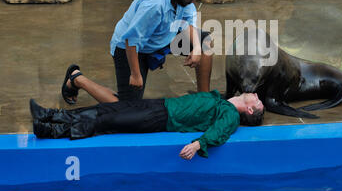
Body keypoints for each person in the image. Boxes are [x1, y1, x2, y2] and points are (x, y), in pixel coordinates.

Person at [32, 67, 265, 160]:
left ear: (251, 109)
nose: (255, 95)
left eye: (257, 100)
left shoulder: (231, 115)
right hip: (161, 106)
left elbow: (219, 132)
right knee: (108, 108)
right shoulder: (220, 99)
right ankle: (51, 114)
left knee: (108, 120)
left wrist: (197, 145)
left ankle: (52, 130)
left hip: (161, 119)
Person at [62, 0, 213, 105]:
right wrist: (135, 74)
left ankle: (203, 100)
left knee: (205, 42)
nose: (192, 2)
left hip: (163, 35)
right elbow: (131, 40)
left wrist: (197, 48)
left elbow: (186, 21)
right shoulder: (154, 4)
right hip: (131, 47)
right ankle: (77, 79)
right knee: (128, 109)